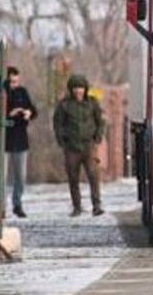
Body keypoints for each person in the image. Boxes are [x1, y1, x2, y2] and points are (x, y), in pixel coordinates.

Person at [52, 74, 106, 217]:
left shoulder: (92, 103)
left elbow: (100, 121)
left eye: (81, 88)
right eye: (75, 88)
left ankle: (97, 205)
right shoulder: (64, 105)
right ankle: (77, 206)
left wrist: (98, 137)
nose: (78, 91)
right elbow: (58, 124)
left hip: (89, 145)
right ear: (71, 89)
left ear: (85, 89)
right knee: (73, 178)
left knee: (93, 176)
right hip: (71, 147)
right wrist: (62, 140)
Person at [3, 67, 37, 218]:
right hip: (4, 140)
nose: (14, 84)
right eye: (12, 82)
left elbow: (34, 110)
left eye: (17, 81)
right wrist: (9, 114)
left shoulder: (23, 92)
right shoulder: (1, 93)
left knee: (20, 177)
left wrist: (28, 113)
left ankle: (17, 204)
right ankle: (1, 207)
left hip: (21, 139)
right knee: (1, 177)